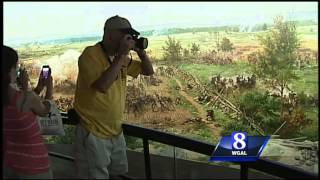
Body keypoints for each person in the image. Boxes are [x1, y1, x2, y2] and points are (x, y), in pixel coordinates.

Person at [73, 15, 154, 179]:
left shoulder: (122, 59)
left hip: (115, 131)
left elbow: (148, 71)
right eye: (125, 34)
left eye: (130, 35)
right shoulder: (90, 55)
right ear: (110, 34)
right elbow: (102, 86)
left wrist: (142, 54)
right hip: (92, 132)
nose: (129, 39)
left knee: (118, 174)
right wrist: (121, 55)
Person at [2, 45, 54, 179]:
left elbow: (22, 110)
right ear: (9, 71)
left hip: (9, 163)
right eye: (16, 67)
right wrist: (49, 88)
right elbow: (45, 110)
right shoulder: (26, 98)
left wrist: (34, 88)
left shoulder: (23, 98)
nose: (18, 70)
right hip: (34, 166)